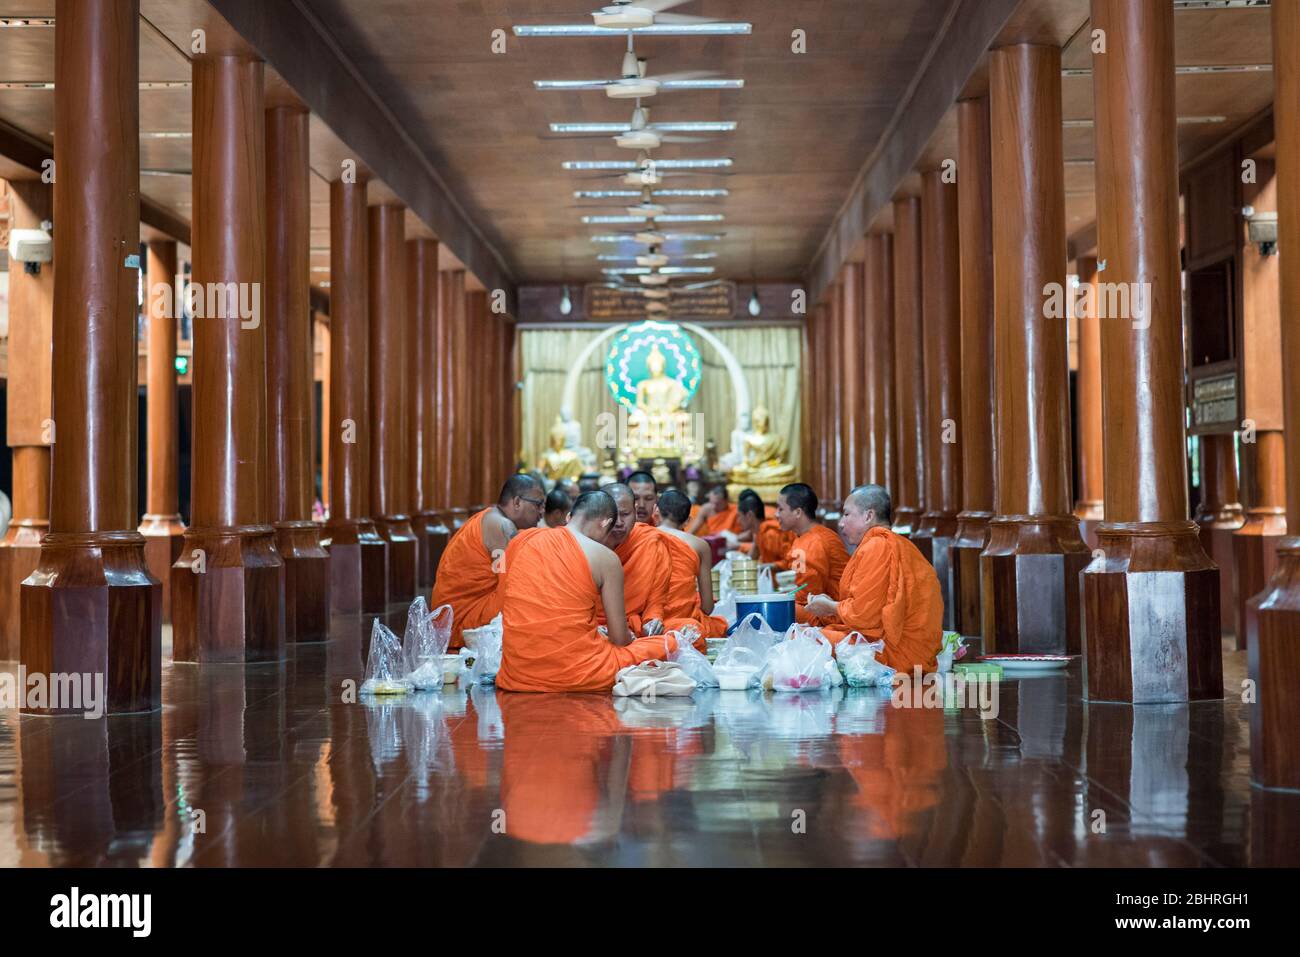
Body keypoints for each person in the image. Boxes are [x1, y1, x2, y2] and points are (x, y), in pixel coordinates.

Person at [496, 490, 676, 693]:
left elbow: (504, 601)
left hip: (517, 672)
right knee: (668, 643)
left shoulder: (521, 541)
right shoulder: (605, 558)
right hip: (576, 672)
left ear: (569, 517)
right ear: (606, 523)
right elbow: (619, 639)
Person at [806, 484, 944, 674]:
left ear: (868, 516)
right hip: (906, 648)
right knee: (815, 633)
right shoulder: (900, 544)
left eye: (846, 514)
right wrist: (834, 605)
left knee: (805, 639)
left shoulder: (877, 546)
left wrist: (830, 607)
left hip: (895, 653)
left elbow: (864, 617)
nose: (841, 523)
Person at [432, 474, 545, 649]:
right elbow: (510, 579)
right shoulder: (501, 525)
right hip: (461, 619)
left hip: (451, 618)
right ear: (517, 502)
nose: (541, 512)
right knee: (523, 593)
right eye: (538, 504)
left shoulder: (492, 517)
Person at [655, 488, 728, 646]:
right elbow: (708, 607)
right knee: (719, 626)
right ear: (688, 521)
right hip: (686, 623)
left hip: (650, 624)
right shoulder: (699, 545)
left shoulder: (643, 538)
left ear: (656, 511)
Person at [597, 483, 670, 637]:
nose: (618, 522)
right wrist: (592, 627)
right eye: (612, 515)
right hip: (592, 627)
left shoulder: (649, 541)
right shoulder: (585, 545)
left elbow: (656, 597)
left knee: (683, 634)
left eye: (624, 514)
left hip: (635, 625)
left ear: (635, 512)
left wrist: (653, 618)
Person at [776, 482, 849, 625]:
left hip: (833, 615)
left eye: (780, 509)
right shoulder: (807, 536)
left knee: (776, 607)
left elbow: (807, 595)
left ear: (798, 512)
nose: (776, 514)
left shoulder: (813, 541)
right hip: (825, 608)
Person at [738, 489, 793, 568]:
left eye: (739, 516)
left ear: (749, 515)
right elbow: (751, 559)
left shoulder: (770, 534)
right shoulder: (759, 533)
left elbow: (790, 562)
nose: (738, 521)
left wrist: (766, 566)